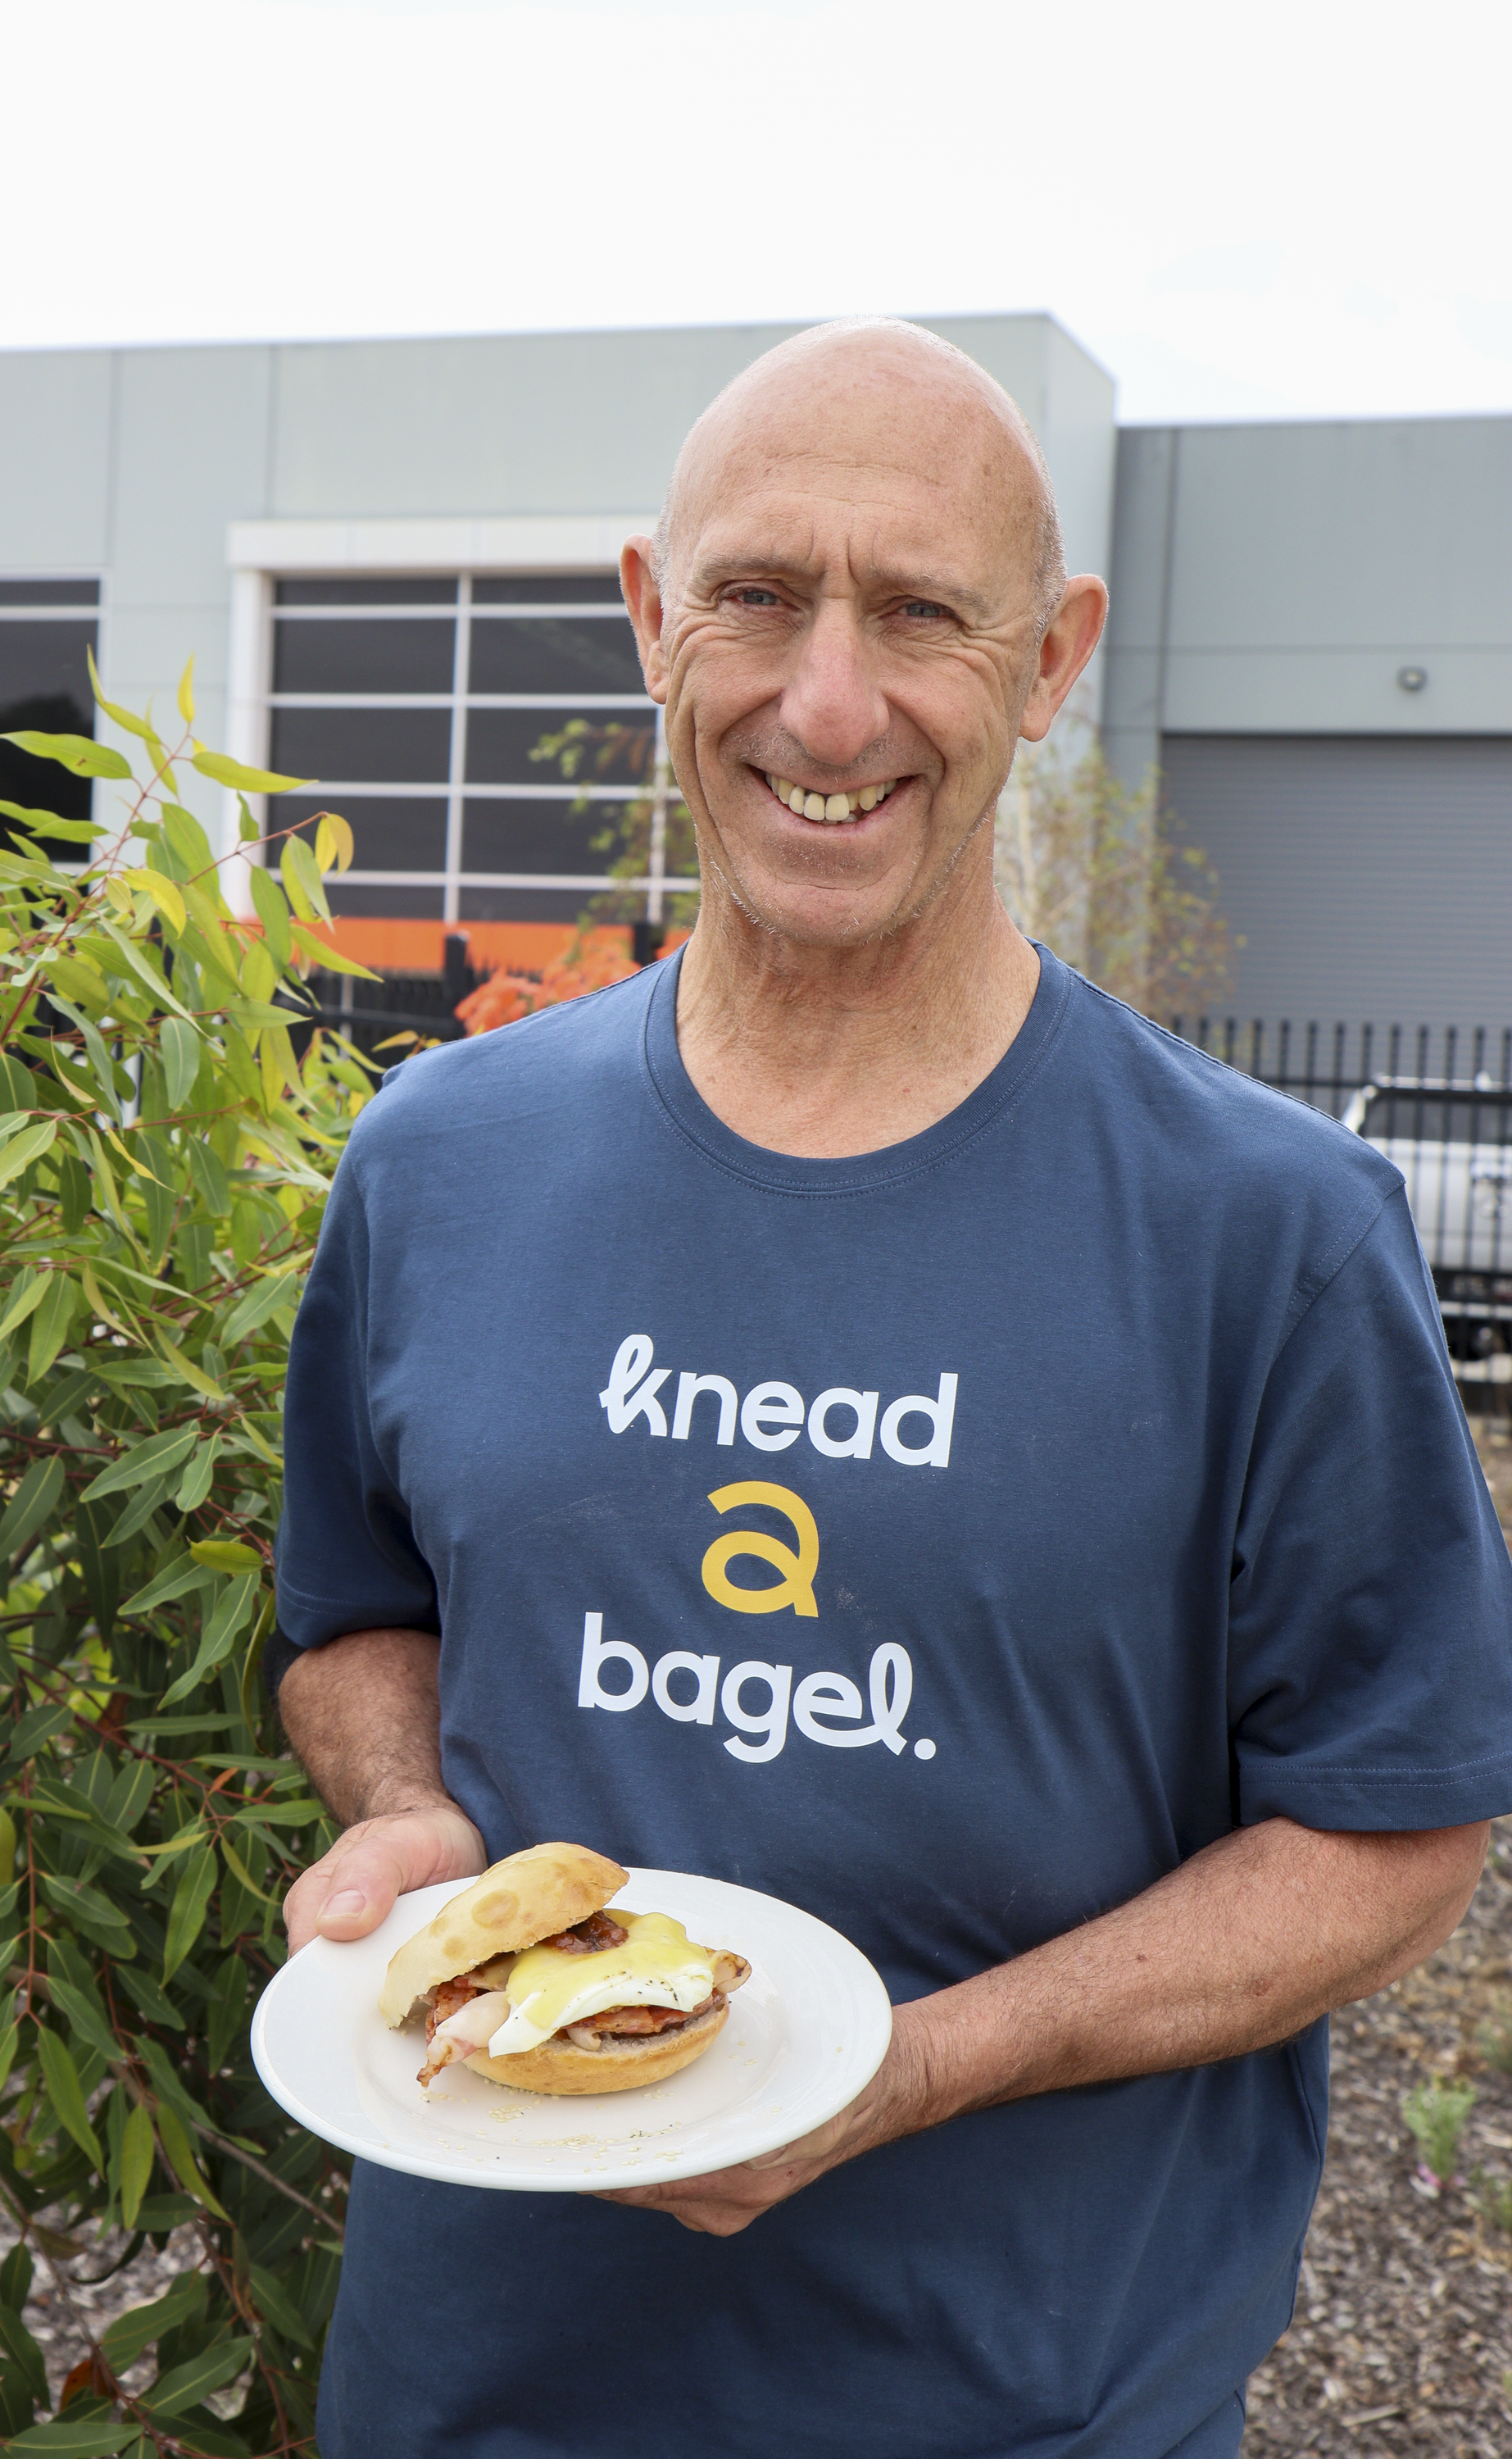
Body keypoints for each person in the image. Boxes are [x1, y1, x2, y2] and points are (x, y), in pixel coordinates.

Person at [267, 320, 1512, 2459]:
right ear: (654, 618)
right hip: (473, 2393)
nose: (824, 702)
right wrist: (414, 1814)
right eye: (757, 594)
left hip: (1028, 2406)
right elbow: (358, 1611)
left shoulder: (1268, 1234)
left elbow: (1395, 1828)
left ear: (1048, 663)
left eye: (921, 612)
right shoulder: (440, 1160)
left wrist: (925, 2064)